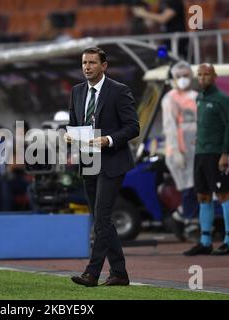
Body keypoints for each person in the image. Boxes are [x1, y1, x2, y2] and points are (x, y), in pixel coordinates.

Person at [65, 47, 140, 286]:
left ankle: (92, 273)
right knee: (102, 220)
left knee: (102, 218)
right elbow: (73, 122)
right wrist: (68, 136)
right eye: (84, 63)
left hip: (112, 161)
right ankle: (119, 273)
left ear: (104, 66)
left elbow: (132, 127)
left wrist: (108, 140)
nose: (87, 67)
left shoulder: (119, 91)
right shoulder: (76, 92)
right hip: (88, 161)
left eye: (92, 63)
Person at [183, 63, 229, 256]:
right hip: (201, 154)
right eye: (199, 75)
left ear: (214, 76)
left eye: (206, 75)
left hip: (216, 154)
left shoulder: (223, 99)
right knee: (202, 196)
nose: (202, 78)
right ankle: (205, 241)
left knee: (224, 195)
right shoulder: (199, 97)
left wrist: (225, 153)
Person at [161, 61, 199, 240]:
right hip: (179, 151)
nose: (183, 80)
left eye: (186, 76)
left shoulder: (196, 96)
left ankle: (179, 217)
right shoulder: (170, 99)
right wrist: (176, 150)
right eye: (179, 76)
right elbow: (170, 127)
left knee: (197, 187)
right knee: (189, 187)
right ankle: (190, 222)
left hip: (196, 149)